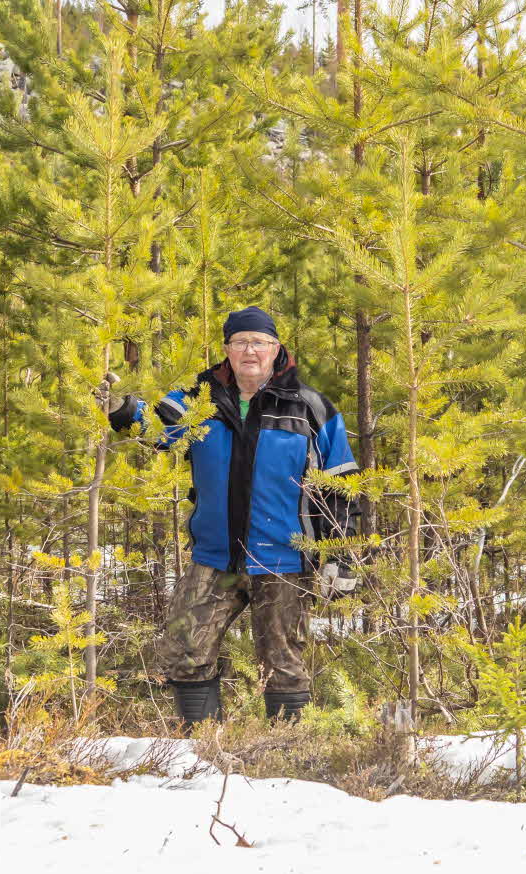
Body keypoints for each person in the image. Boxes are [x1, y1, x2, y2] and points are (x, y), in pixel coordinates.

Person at [105, 306, 360, 728]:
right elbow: (153, 429)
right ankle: (203, 752)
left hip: (283, 561)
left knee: (283, 662)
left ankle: (284, 755)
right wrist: (121, 408)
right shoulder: (198, 401)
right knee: (185, 650)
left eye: (259, 342)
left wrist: (340, 554)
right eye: (240, 341)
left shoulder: (311, 408)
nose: (250, 350)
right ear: (226, 349)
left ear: (276, 348)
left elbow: (342, 486)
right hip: (216, 558)